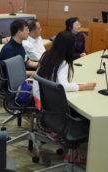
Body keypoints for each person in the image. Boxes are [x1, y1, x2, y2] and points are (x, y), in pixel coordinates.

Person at [33, 31, 96, 163]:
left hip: (41, 102)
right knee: (87, 117)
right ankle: (73, 154)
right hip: (52, 108)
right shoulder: (62, 63)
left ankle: (71, 150)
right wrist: (84, 86)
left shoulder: (46, 55)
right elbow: (64, 86)